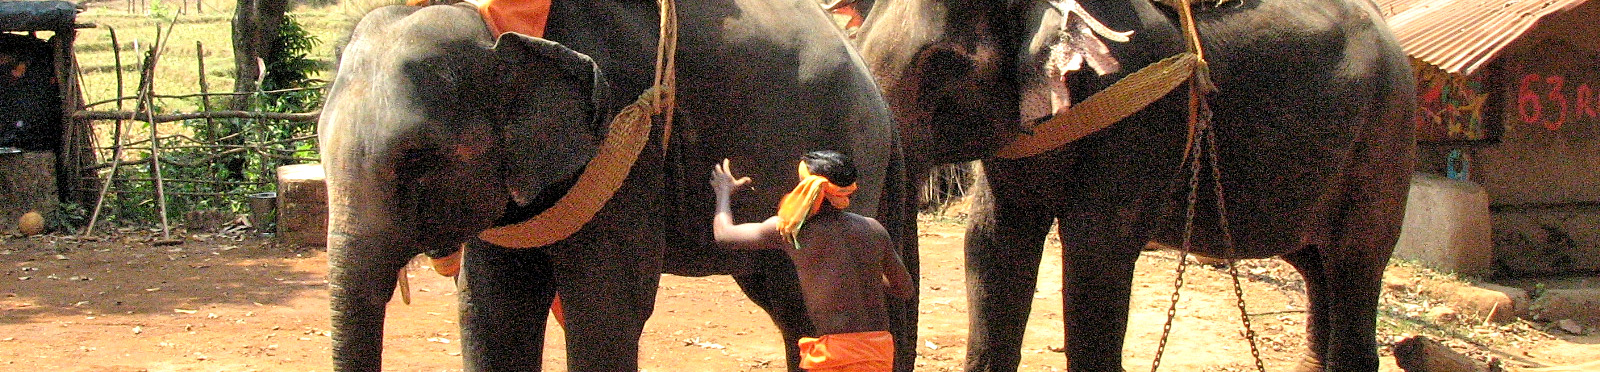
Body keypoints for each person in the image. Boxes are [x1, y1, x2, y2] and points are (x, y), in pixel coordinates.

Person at [710, 151, 915, 372]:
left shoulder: (793, 231)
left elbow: (725, 235)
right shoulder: (874, 229)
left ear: (806, 187)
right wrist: (864, 276)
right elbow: (904, 289)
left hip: (833, 356)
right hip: (878, 352)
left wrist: (723, 192)